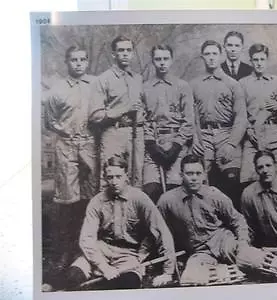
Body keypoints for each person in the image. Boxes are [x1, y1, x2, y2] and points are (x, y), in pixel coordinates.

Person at [42, 153, 176, 291]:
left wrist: (168, 272)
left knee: (128, 283)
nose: (114, 181)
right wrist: (103, 267)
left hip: (129, 253)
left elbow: (161, 232)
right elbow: (87, 239)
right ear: (105, 178)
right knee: (73, 276)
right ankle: (52, 287)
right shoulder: (97, 201)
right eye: (110, 177)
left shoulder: (140, 199)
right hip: (102, 249)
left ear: (127, 177)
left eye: (118, 177)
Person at [157, 154, 250, 285]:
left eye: (198, 173)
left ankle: (229, 271)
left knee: (254, 260)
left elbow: (238, 220)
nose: (194, 178)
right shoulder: (167, 201)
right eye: (189, 173)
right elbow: (158, 232)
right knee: (189, 279)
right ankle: (227, 272)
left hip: (224, 243)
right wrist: (167, 271)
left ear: (204, 175)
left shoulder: (214, 194)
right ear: (181, 175)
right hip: (200, 252)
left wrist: (243, 243)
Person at [44, 45, 98, 270]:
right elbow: (49, 120)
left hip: (90, 145)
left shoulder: (96, 84)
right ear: (67, 62)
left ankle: (88, 250)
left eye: (82, 59)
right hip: (66, 146)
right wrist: (64, 130)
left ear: (87, 61)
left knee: (91, 198)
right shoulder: (57, 89)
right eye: (74, 59)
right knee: (67, 200)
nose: (78, 63)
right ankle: (65, 251)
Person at [190, 40, 246, 210]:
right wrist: (194, 139)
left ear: (221, 55)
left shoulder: (233, 84)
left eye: (215, 54)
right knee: (200, 180)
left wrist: (231, 144)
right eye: (207, 54)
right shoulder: (193, 84)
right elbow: (190, 117)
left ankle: (235, 225)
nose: (211, 58)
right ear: (202, 57)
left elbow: (241, 118)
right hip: (203, 136)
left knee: (232, 179)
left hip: (226, 134)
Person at [239, 43, 277, 190]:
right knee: (246, 179)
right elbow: (239, 112)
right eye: (255, 60)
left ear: (267, 60)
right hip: (252, 136)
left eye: (262, 59)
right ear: (251, 61)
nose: (259, 63)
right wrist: (247, 129)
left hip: (275, 133)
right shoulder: (242, 83)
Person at [89, 35, 145, 188]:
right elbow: (95, 116)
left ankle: (132, 211)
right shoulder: (103, 79)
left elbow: (144, 106)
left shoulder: (138, 79)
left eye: (128, 50)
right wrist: (124, 110)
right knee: (110, 178)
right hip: (114, 133)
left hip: (137, 134)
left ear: (132, 53)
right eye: (121, 50)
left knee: (136, 178)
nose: (125, 53)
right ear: (114, 54)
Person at [142, 44, 194, 203]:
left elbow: (189, 121)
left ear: (171, 60)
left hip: (176, 144)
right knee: (151, 189)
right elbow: (143, 120)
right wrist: (152, 145)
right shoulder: (145, 88)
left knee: (175, 189)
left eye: (165, 59)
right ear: (152, 61)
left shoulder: (182, 86)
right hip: (154, 145)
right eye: (158, 59)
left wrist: (176, 147)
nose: (162, 63)